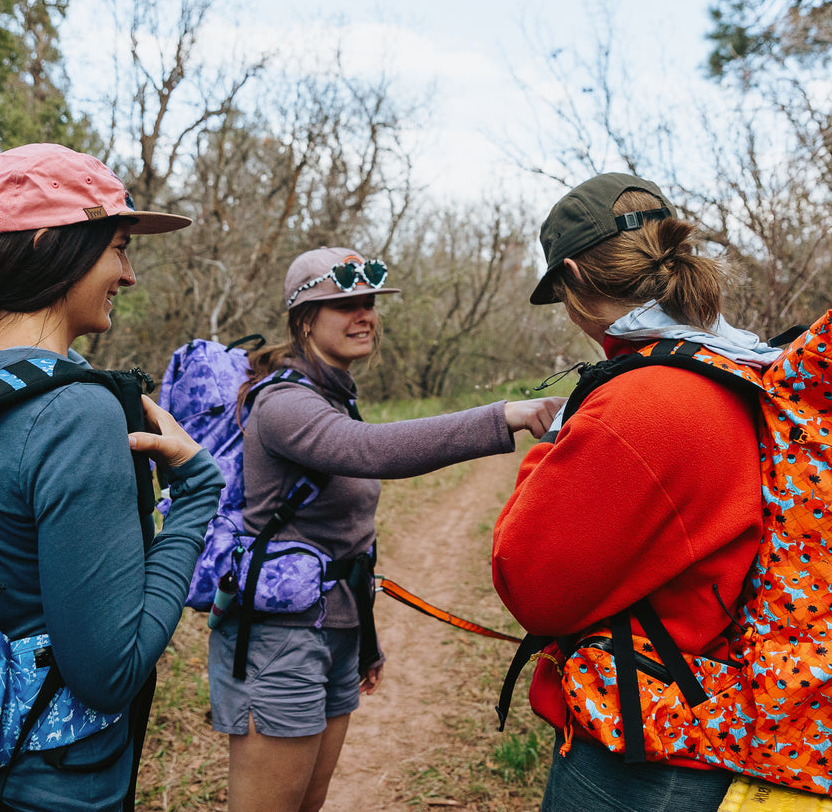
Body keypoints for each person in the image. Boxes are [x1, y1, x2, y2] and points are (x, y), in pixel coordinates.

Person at [0, 143, 225, 812]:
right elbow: (109, 673)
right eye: (117, 247)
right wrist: (196, 496)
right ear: (55, 244)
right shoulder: (73, 412)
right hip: (53, 782)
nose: (129, 274)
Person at [213, 246, 564, 812]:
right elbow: (370, 450)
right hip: (279, 641)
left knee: (308, 803)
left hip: (335, 631)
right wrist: (503, 416)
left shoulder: (332, 399)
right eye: (345, 304)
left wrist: (365, 641)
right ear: (305, 318)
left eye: (370, 303)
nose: (365, 315)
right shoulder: (281, 403)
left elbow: (351, 541)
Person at [491, 173, 778, 812]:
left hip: (650, 747)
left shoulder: (642, 400)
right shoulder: (736, 364)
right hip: (722, 713)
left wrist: (549, 451)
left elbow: (531, 585)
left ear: (573, 278)